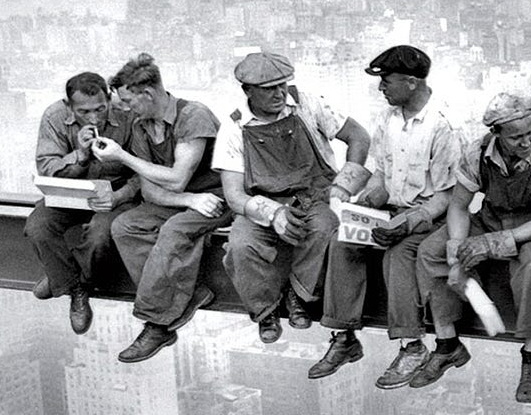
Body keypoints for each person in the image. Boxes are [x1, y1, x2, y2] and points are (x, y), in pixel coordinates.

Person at [308, 45, 465, 390]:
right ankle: (343, 335)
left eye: (387, 82)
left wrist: (408, 222)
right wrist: (364, 205)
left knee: (400, 254)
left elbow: (447, 196)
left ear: (411, 82)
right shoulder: (388, 120)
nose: (382, 89)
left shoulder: (443, 126)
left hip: (428, 218)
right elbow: (381, 174)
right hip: (392, 211)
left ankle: (411, 346)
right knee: (344, 241)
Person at [418, 90, 531, 403]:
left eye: (530, 133)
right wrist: (457, 251)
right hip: (490, 217)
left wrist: (490, 244)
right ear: (496, 134)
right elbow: (459, 206)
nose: (526, 142)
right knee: (431, 251)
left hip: (530, 227)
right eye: (516, 138)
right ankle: (447, 342)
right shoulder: (478, 152)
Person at [215, 51, 371, 344]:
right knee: (240, 245)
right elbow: (234, 195)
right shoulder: (234, 127)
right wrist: (273, 214)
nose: (279, 93)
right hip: (263, 202)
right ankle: (265, 311)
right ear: (248, 91)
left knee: (325, 229)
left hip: (315, 196)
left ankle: (299, 296)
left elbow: (359, 137)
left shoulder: (306, 104)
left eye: (282, 84)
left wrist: (342, 188)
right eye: (268, 89)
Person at [97, 54, 227, 363]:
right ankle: (188, 294)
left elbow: (177, 177)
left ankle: (156, 324)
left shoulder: (193, 116)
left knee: (173, 231)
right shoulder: (142, 127)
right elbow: (149, 188)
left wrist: (123, 157)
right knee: (125, 226)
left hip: (217, 198)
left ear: (149, 93)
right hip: (188, 200)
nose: (127, 109)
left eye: (130, 101)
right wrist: (187, 201)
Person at [27, 71, 137, 334]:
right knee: (38, 227)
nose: (94, 117)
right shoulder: (54, 117)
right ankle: (74, 287)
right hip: (70, 192)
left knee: (100, 236)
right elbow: (47, 168)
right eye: (84, 111)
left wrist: (118, 196)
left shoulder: (128, 115)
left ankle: (62, 278)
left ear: (109, 99)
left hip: (115, 193)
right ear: (69, 106)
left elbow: (142, 170)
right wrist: (81, 155)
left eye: (100, 108)